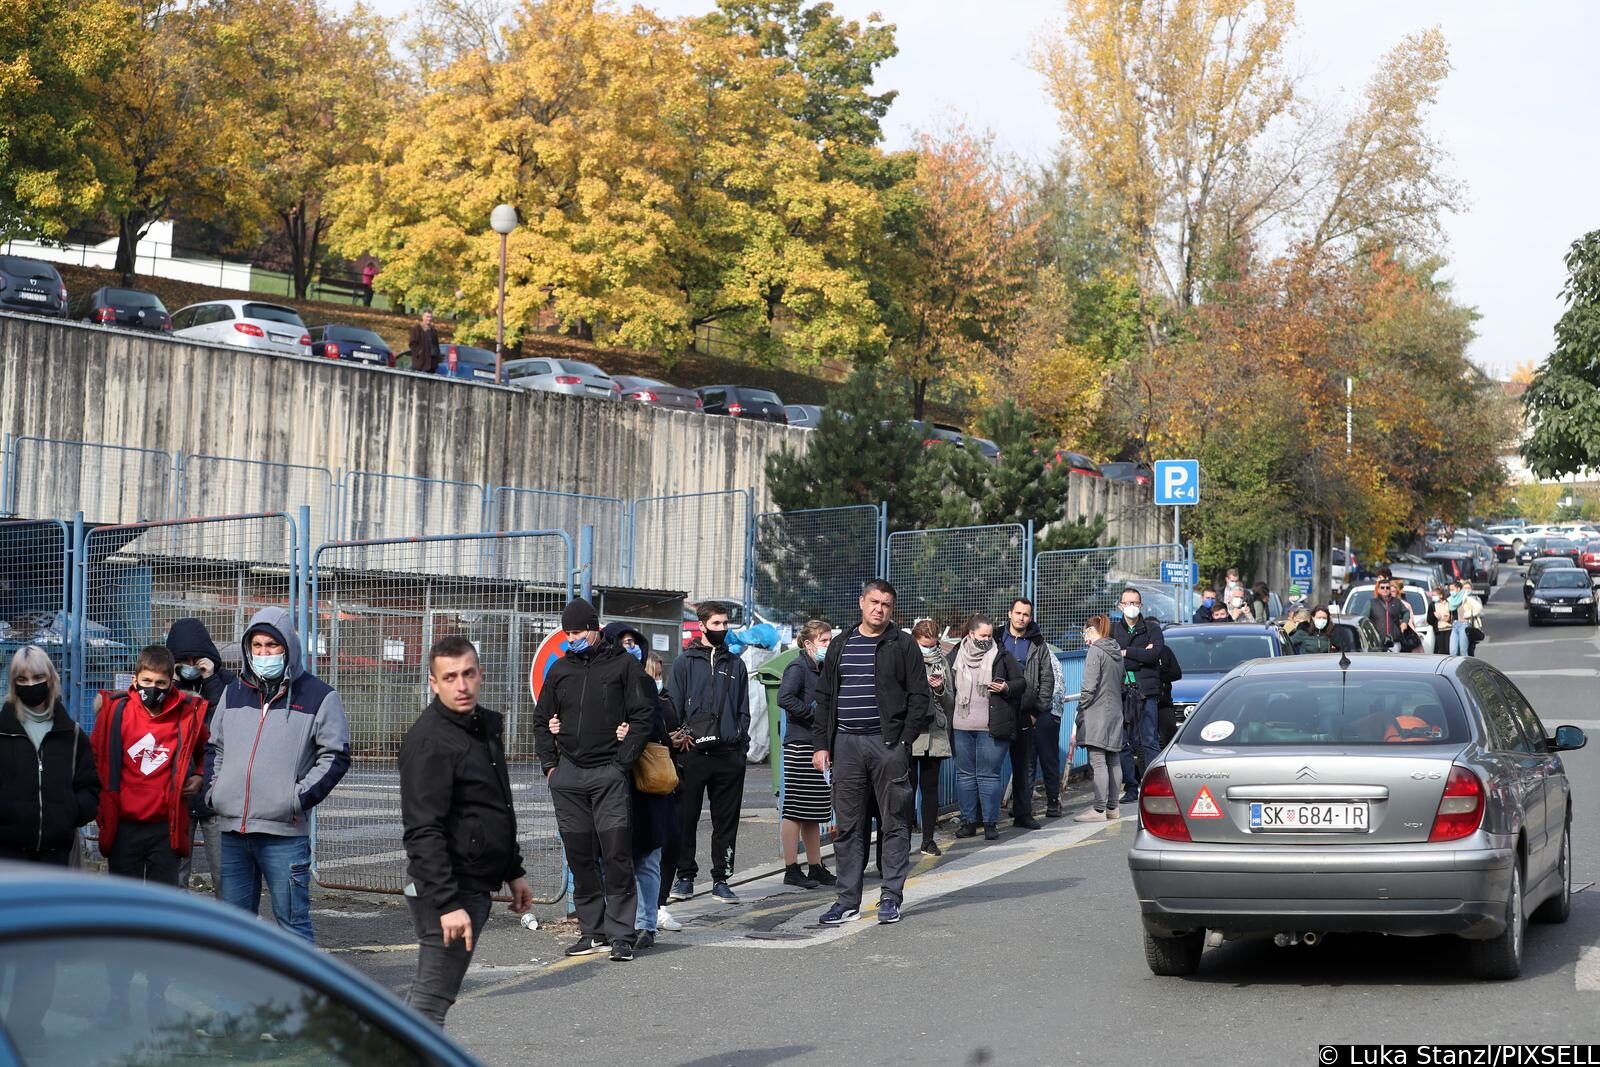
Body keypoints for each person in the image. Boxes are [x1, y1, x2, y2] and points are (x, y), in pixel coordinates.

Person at [399, 636, 532, 1026]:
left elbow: (494, 805)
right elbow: (423, 829)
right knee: (430, 1003)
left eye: (468, 674)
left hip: (471, 883)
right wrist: (447, 903)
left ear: (481, 674)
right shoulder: (429, 741)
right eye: (451, 676)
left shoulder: (482, 727)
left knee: (430, 998)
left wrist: (513, 870)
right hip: (449, 889)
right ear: (433, 682)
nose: (462, 685)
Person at [206, 607, 351, 945]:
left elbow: (336, 755)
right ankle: (237, 998)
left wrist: (296, 798)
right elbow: (215, 746)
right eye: (256, 646)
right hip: (233, 831)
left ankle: (302, 998)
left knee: (293, 926)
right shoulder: (234, 692)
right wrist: (215, 792)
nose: (263, 653)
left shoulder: (319, 696)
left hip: (283, 834)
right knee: (232, 928)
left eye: (272, 646)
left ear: (288, 647)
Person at [532, 597, 653, 961]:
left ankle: (621, 935)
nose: (573, 638)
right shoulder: (560, 670)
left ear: (596, 629)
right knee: (579, 857)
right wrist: (550, 766)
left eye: (579, 631)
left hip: (608, 774)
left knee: (616, 855)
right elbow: (541, 719)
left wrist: (622, 762)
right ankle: (592, 931)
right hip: (568, 776)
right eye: (568, 632)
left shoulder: (622, 666)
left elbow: (643, 716)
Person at [812, 579, 930, 926]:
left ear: (892, 609)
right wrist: (822, 745)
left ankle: (890, 897)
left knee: (895, 823)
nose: (879, 609)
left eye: (886, 604)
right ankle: (847, 901)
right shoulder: (840, 644)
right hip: (846, 745)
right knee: (848, 827)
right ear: (861, 602)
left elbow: (919, 697)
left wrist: (904, 741)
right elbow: (824, 698)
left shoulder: (903, 645)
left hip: (887, 744)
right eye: (874, 602)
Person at [91, 645, 208, 888]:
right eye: (146, 680)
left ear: (171, 683)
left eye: (160, 683)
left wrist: (200, 775)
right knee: (123, 906)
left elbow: (209, 749)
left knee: (164, 905)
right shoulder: (115, 712)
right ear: (135, 679)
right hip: (122, 825)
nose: (152, 688)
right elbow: (94, 755)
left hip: (166, 827)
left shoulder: (187, 714)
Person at [667, 601, 750, 905]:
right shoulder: (684, 663)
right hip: (692, 754)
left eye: (725, 624)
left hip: (729, 755)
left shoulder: (736, 664)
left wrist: (741, 744)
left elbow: (744, 709)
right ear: (701, 625)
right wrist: (677, 739)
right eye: (716, 624)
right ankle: (684, 877)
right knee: (684, 818)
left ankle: (722, 879)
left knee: (726, 821)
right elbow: (673, 707)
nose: (723, 629)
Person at [600, 624, 677, 950]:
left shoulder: (645, 682)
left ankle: (646, 925)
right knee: (613, 858)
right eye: (622, 643)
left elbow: (658, 728)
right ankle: (618, 922)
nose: (629, 648)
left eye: (633, 643)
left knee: (646, 857)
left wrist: (632, 732)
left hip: (644, 786)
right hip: (613, 784)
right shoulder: (601, 683)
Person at [0, 647, 98, 865]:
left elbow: (90, 787)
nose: (30, 684)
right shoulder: (2, 731)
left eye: (37, 677)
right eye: (22, 678)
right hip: (7, 856)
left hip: (57, 856)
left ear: (51, 678)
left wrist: (70, 812)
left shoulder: (71, 734)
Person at [167, 617, 235, 895]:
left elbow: (228, 724)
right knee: (174, 875)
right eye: (185, 659)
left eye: (198, 659)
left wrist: (211, 682)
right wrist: (170, 685)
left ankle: (230, 932)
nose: (192, 665)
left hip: (216, 793)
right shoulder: (164, 685)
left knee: (226, 874)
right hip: (178, 794)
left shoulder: (227, 683)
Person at [947, 614, 1025, 843]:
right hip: (961, 725)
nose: (986, 639)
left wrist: (1005, 687)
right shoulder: (956, 654)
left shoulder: (1001, 655)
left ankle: (990, 823)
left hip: (991, 726)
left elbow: (1021, 683)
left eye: (990, 635)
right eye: (982, 635)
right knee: (965, 776)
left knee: (988, 776)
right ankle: (969, 822)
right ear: (971, 634)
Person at [776, 620, 836, 886]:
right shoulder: (798, 667)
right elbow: (784, 698)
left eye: (830, 640)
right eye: (824, 641)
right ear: (808, 643)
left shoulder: (823, 668)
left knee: (813, 811)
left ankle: (816, 865)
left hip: (818, 744)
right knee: (795, 809)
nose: (828, 645)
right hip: (800, 744)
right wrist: (813, 715)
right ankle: (791, 868)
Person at [645, 651, 686, 935]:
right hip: (647, 781)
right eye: (654, 675)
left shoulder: (666, 698)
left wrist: (679, 738)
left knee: (673, 841)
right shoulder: (639, 700)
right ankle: (648, 908)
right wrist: (665, 739)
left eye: (661, 674)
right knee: (650, 846)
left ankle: (660, 903)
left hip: (670, 777)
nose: (659, 680)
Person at [1111, 588, 1165, 804]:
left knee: (1149, 740)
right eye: (1127, 602)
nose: (1132, 606)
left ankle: (1153, 787)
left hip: (1146, 693)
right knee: (1123, 742)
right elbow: (1114, 657)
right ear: (1120, 606)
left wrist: (1126, 652)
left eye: (1136, 602)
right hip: (1121, 692)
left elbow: (1154, 655)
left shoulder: (1152, 629)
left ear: (1141, 605)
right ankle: (1131, 787)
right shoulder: (1113, 630)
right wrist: (1141, 655)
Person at [998, 599, 1047, 830]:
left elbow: (1047, 679)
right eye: (1017, 613)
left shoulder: (1038, 642)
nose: (1021, 618)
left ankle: (1023, 813)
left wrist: (1037, 710)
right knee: (989, 766)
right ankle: (981, 817)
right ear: (1009, 613)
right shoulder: (997, 637)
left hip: (1025, 712)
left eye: (1026, 614)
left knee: (1024, 766)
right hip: (997, 710)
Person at [910, 619, 954, 855]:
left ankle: (928, 839)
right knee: (907, 789)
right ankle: (903, 839)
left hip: (935, 732)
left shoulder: (942, 662)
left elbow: (950, 701)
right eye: (924, 645)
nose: (929, 649)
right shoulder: (908, 660)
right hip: (912, 731)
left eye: (932, 645)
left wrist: (938, 689)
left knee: (930, 788)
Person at [1074, 616, 1124, 821]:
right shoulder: (1116, 652)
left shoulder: (1096, 651)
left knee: (1098, 761)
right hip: (1115, 712)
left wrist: (1080, 707)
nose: (1084, 637)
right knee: (1113, 759)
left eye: (1084, 633)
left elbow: (1089, 686)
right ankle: (1113, 807)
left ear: (1090, 631)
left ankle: (1098, 809)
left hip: (1097, 713)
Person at [1366, 578, 1408, 651]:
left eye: (1387, 587)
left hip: (1394, 643)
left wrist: (1404, 622)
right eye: (1382, 587)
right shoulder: (1371, 603)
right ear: (1378, 590)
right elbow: (1363, 619)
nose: (1385, 589)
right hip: (1377, 643)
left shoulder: (1397, 602)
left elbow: (1406, 612)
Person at [1451, 580, 1484, 656]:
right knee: (1459, 649)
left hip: (1471, 626)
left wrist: (1468, 614)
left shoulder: (1475, 599)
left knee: (1469, 649)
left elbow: (1481, 612)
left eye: (1468, 588)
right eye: (1465, 588)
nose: (1467, 590)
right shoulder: (1458, 599)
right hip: (1459, 625)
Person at [408, 309, 441, 373]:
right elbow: (412, 344)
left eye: (430, 317)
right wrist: (419, 353)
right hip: (420, 364)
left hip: (431, 365)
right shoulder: (417, 329)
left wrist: (437, 358)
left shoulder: (433, 331)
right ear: (423, 317)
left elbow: (436, 346)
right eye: (427, 317)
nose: (429, 319)